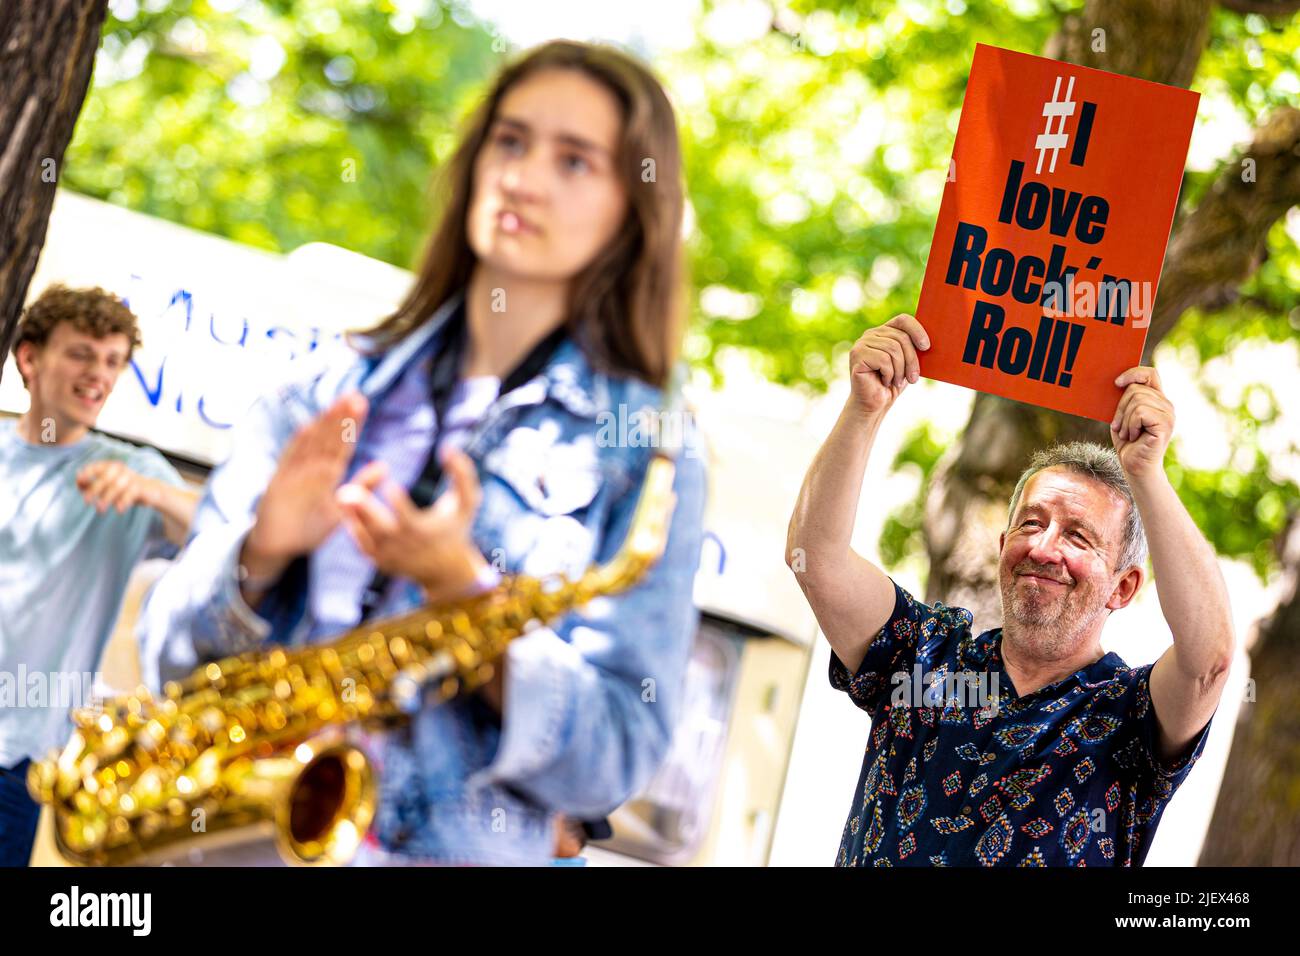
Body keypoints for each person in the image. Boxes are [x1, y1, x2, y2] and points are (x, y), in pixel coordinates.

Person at [138, 40, 707, 866]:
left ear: (633, 207)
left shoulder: (649, 451)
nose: (524, 176)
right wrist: (258, 552)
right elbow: (168, 657)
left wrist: (465, 597)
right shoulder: (320, 392)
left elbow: (615, 759)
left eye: (575, 160)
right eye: (510, 142)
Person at [786, 313, 1233, 866]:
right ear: (1002, 546)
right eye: (1030, 523)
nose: (1044, 548)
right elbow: (816, 559)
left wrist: (1147, 472)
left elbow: (1208, 660)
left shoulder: (1130, 718)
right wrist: (864, 409)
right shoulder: (923, 656)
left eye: (1078, 536)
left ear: (1124, 587)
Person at [0, 284, 197, 867]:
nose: (100, 375)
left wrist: (155, 493)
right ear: (29, 359)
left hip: (17, 760)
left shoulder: (130, 471)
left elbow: (223, 544)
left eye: (113, 361)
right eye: (82, 354)